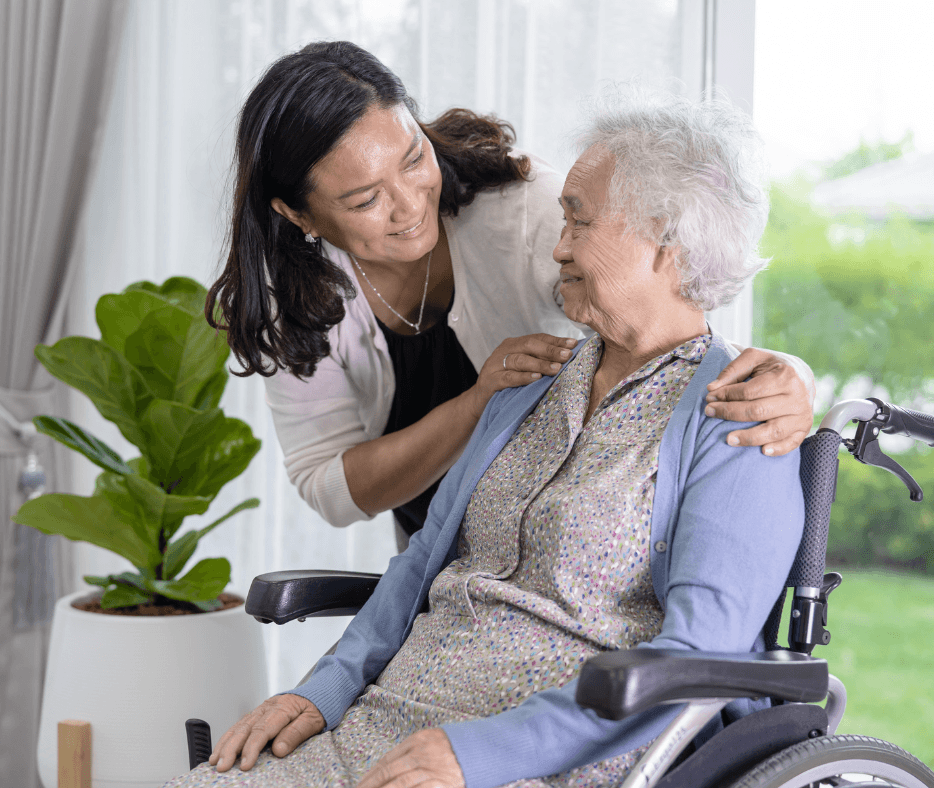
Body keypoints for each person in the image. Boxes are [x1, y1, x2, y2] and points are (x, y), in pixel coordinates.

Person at [168, 83, 806, 788]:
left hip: (552, 753)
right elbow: (417, 568)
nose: (557, 245)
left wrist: (481, 754)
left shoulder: (737, 423)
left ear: (667, 243)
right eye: (563, 218)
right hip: (392, 721)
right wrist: (318, 692)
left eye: (579, 222)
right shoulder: (528, 381)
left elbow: (699, 652)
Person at [205, 41, 814, 549]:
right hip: (446, 566)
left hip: (561, 549)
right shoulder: (290, 297)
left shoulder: (530, 213)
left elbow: (678, 316)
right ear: (298, 215)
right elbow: (331, 488)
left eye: (414, 157)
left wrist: (790, 378)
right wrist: (478, 404)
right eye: (365, 200)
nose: (410, 202)